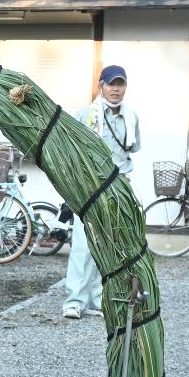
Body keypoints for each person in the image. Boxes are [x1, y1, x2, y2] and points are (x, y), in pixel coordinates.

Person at [63, 64, 139, 320]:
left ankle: (96, 298)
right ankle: (73, 300)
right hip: (89, 188)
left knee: (108, 245)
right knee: (83, 246)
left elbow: (130, 151)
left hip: (117, 189)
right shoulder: (85, 114)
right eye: (111, 84)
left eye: (120, 84)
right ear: (101, 86)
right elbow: (70, 150)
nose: (115, 89)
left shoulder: (131, 117)